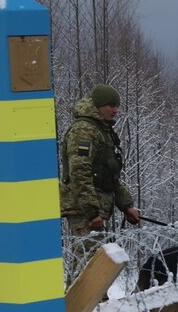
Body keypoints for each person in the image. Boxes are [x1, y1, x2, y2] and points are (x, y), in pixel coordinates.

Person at [60, 84, 141, 271]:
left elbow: (108, 176)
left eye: (117, 106)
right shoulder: (84, 130)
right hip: (84, 209)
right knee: (86, 263)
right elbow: (79, 172)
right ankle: (79, 300)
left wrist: (126, 205)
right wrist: (91, 211)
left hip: (96, 208)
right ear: (97, 106)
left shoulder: (101, 131)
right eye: (111, 105)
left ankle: (96, 299)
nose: (115, 110)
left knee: (95, 263)